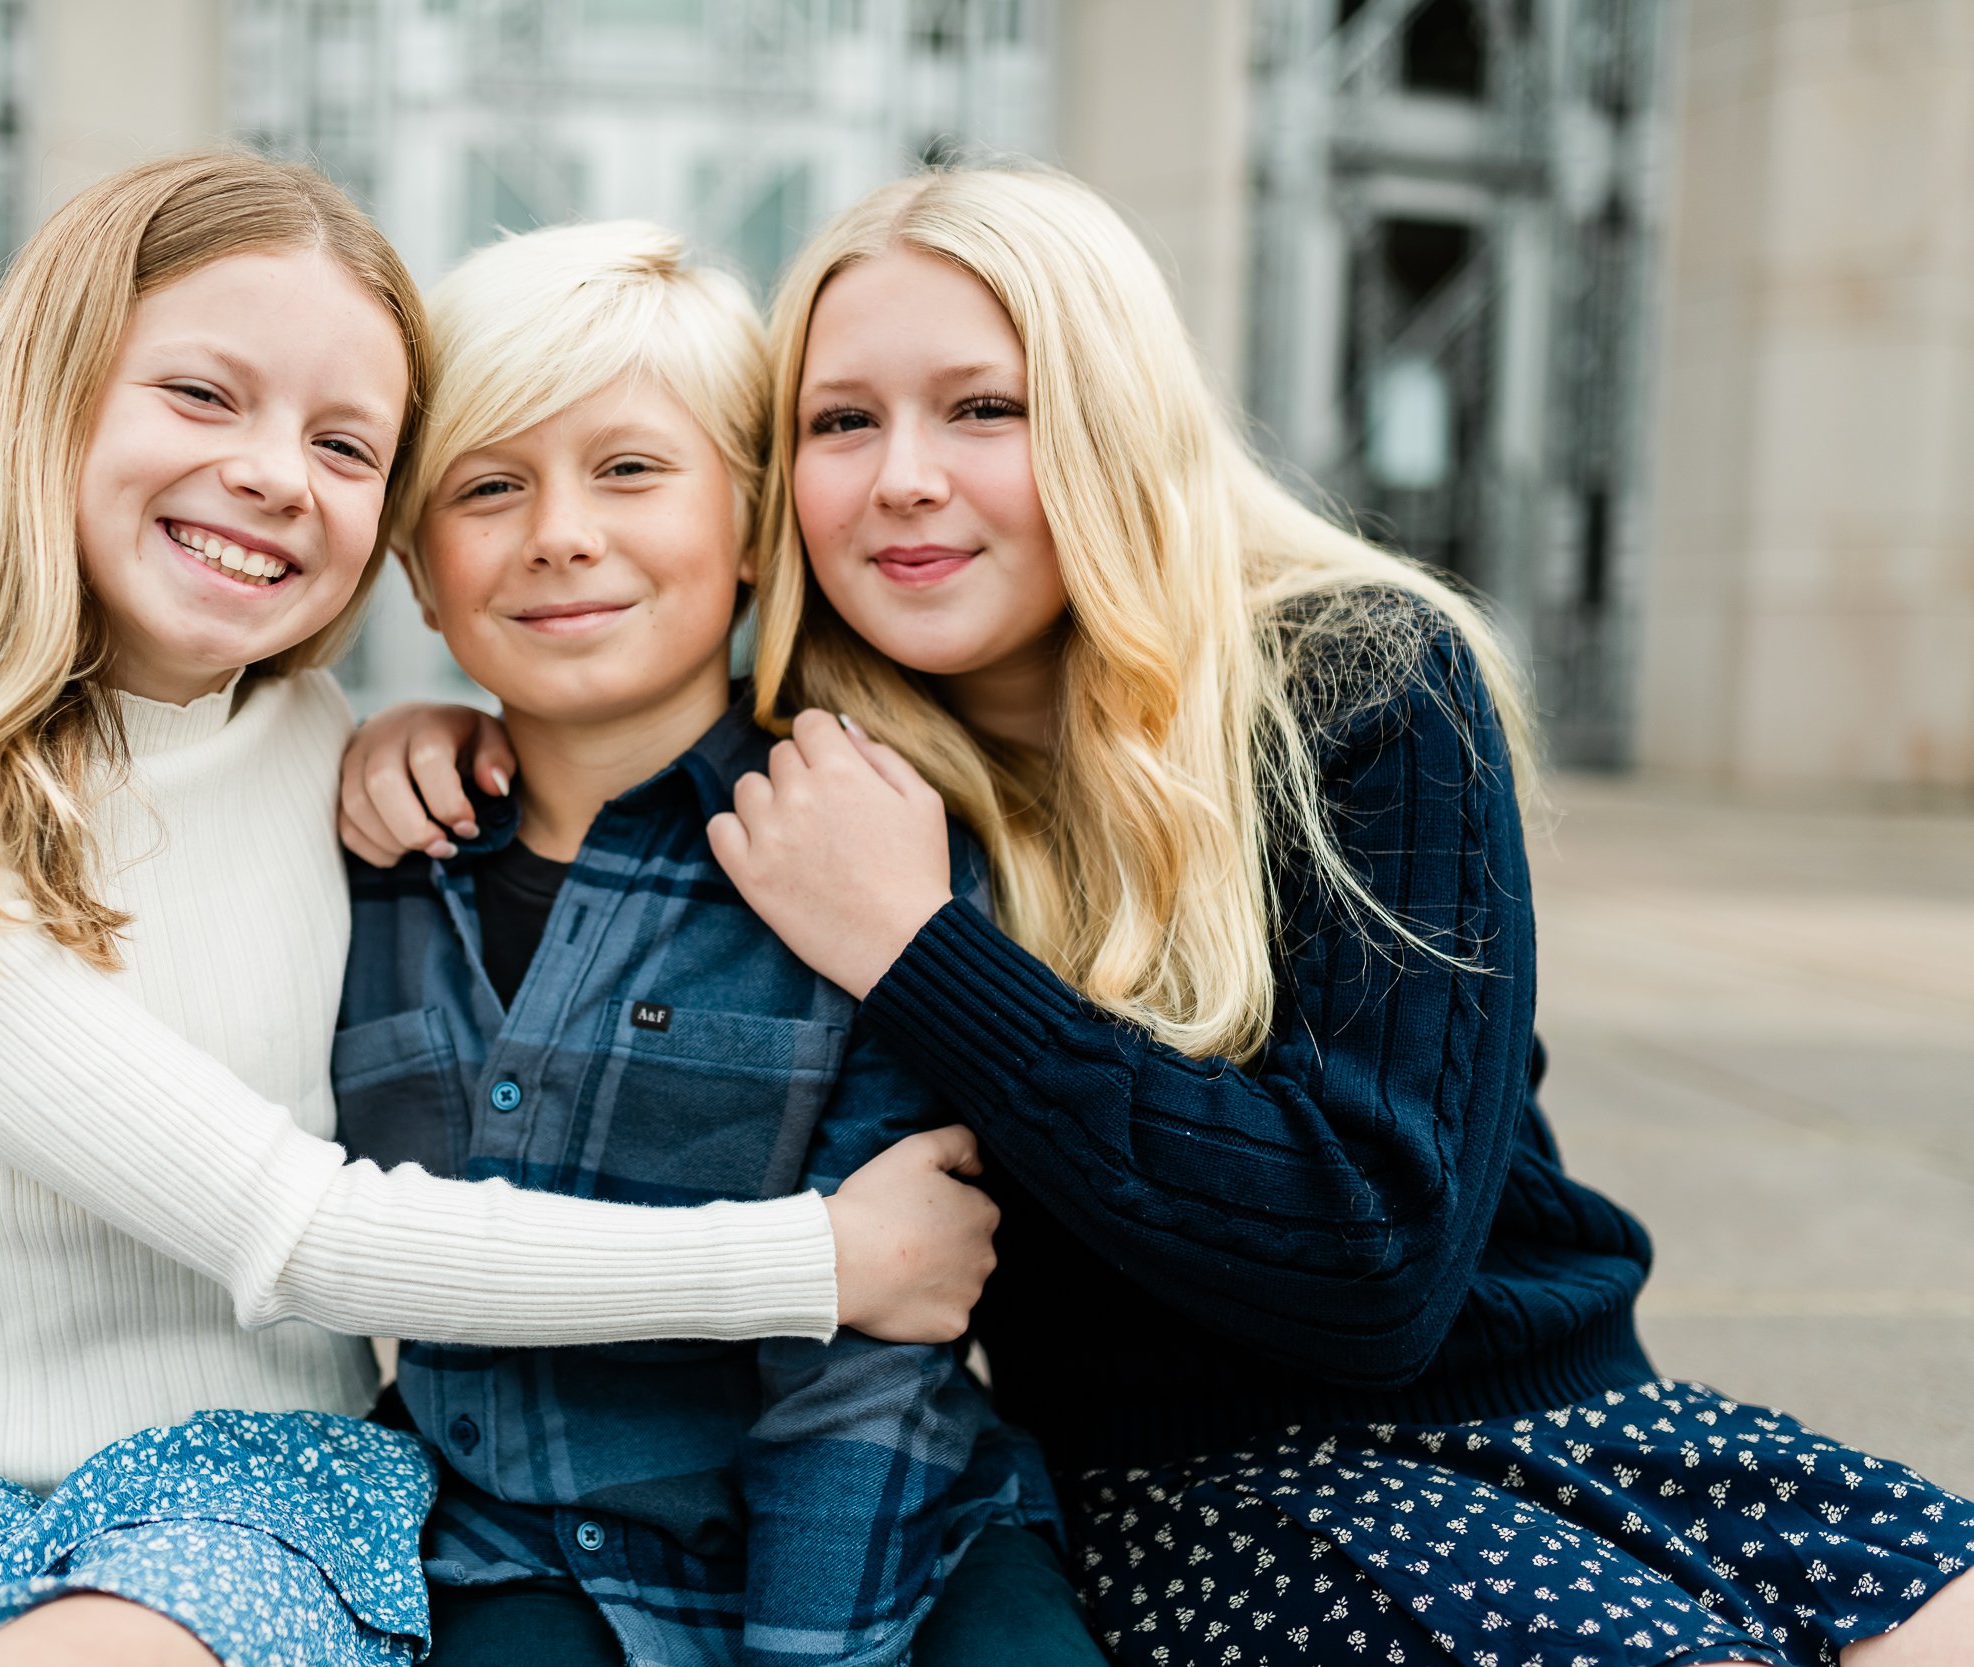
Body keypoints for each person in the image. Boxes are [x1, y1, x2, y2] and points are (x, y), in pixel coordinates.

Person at [339, 166, 1974, 1667]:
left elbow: (1378, 1265)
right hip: (1216, 1496)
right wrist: (426, 733)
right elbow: (598, 719)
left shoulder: (1357, 679)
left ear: (1110, 423)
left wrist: (925, 953)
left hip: (1571, 1417)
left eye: (986, 407)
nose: (905, 480)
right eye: (843, 422)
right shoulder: (822, 764)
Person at [0, 153, 1002, 1667]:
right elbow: (292, 1229)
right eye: (203, 396)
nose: (272, 472)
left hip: (269, 1503)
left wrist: (418, 731)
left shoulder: (347, 759)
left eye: (343, 442)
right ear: (46, 399)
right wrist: (817, 1261)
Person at [331, 220, 1100, 1667]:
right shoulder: (369, 868)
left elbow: (877, 1351)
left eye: (630, 468)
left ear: (753, 529)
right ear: (418, 579)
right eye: (489, 487)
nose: (561, 530)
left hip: (892, 1536)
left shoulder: (860, 843)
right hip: (513, 1542)